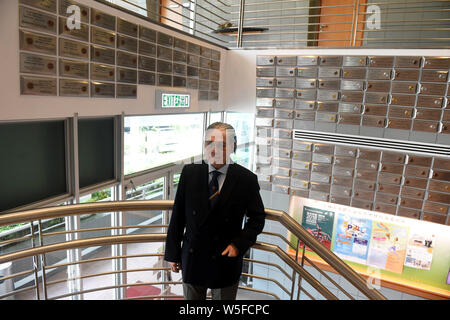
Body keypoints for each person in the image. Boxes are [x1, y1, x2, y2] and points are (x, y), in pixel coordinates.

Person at [164, 122, 266, 300]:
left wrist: (239, 245)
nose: (214, 149)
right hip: (193, 257)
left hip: (226, 258)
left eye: (222, 144)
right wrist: (173, 253)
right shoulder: (189, 173)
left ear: (233, 145)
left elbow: (257, 219)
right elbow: (178, 215)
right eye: (209, 143)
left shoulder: (246, 179)